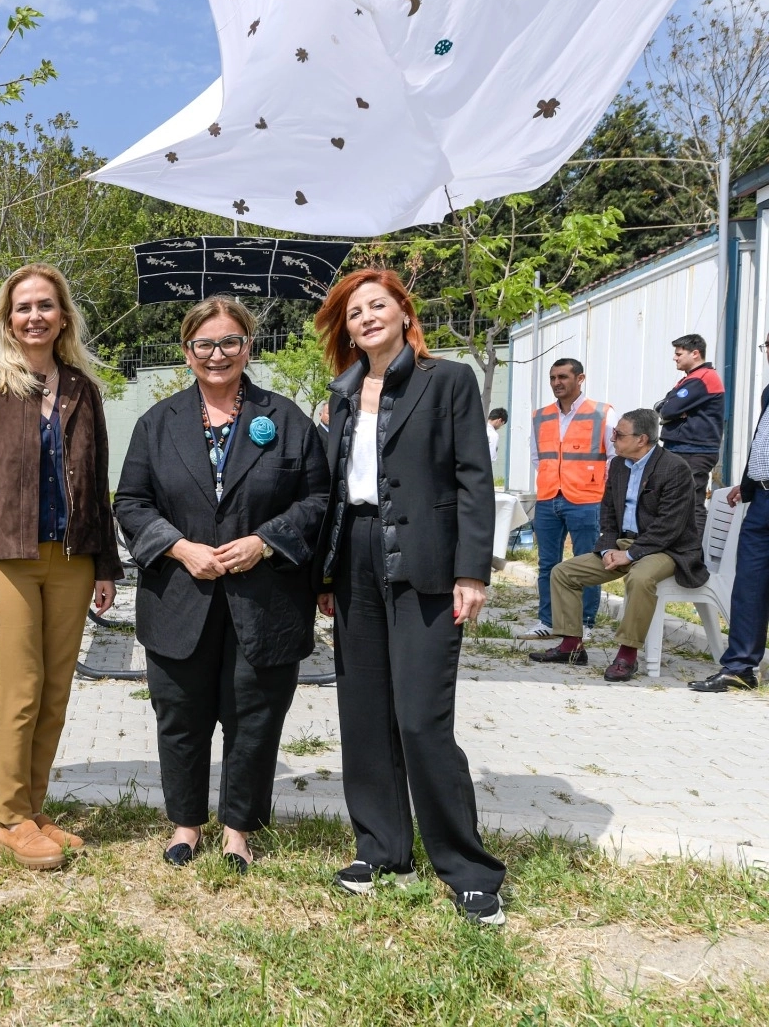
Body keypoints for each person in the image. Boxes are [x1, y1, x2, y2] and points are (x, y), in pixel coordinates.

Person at [313, 268, 507, 926]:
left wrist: (472, 572)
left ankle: (469, 870)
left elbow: (474, 477)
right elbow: (334, 488)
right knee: (364, 714)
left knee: (422, 718)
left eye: (378, 305)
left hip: (426, 560)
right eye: (354, 311)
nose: (366, 317)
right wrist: (326, 577)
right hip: (355, 556)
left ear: (403, 312)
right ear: (346, 329)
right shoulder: (342, 392)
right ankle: (381, 850)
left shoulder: (447, 380)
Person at [114, 296, 329, 870]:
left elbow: (317, 499)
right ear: (187, 353)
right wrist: (178, 547)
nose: (217, 354)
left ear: (248, 347)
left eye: (229, 341)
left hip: (265, 600)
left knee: (253, 718)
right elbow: (130, 501)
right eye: (204, 344)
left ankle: (239, 830)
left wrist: (266, 541)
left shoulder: (286, 419)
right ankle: (186, 824)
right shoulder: (158, 424)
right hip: (179, 597)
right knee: (179, 716)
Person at [0, 263, 122, 871]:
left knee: (54, 692)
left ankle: (35, 808)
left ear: (63, 316)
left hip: (72, 559)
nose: (35, 316)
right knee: (18, 690)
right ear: (7, 318)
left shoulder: (82, 390)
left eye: (46, 305)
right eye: (23, 307)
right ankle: (11, 818)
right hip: (9, 560)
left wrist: (106, 564)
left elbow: (97, 482)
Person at [530, 409, 705, 682]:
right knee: (564, 572)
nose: (612, 439)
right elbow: (609, 513)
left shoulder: (675, 468)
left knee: (640, 577)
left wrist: (631, 554)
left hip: (667, 549)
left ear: (641, 439)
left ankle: (627, 654)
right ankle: (571, 645)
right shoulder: (619, 465)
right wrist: (608, 548)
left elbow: (669, 526)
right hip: (625, 543)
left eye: (619, 434)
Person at [513, 359, 613, 640]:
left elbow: (614, 457)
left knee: (587, 564)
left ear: (580, 379)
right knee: (547, 564)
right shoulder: (541, 416)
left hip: (586, 500)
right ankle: (548, 621)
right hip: (548, 498)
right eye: (553, 377)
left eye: (563, 377)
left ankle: (584, 623)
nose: (557, 382)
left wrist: (596, 486)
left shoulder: (602, 413)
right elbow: (537, 457)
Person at [692, 355, 769, 693]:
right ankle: (740, 668)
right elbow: (762, 444)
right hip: (762, 500)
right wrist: (749, 484)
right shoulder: (768, 392)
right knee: (749, 585)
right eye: (768, 345)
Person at [655, 333, 725, 536]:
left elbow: (668, 409)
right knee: (674, 502)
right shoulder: (691, 379)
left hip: (694, 450)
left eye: (679, 354)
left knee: (691, 503)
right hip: (683, 448)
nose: (674, 358)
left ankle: (693, 551)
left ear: (695, 353)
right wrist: (672, 409)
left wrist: (673, 409)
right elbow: (662, 405)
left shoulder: (702, 378)